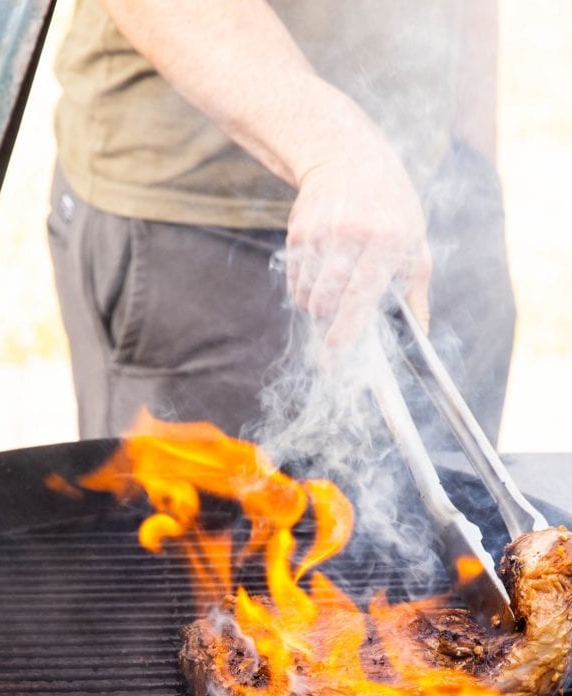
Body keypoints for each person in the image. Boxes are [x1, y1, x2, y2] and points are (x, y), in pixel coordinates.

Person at [49, 0, 515, 444]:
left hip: (432, 221)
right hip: (201, 234)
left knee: (471, 520)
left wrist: (472, 174)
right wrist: (334, 151)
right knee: (211, 525)